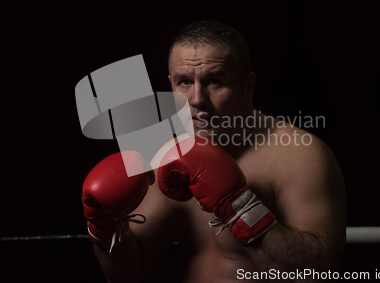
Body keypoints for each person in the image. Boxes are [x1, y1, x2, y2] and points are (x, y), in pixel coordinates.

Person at [82, 20, 346, 282]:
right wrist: (104, 228)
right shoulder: (165, 156)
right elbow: (126, 272)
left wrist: (239, 208)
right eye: (184, 82)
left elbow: (318, 273)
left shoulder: (299, 155)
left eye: (215, 82)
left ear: (248, 87)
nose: (197, 99)